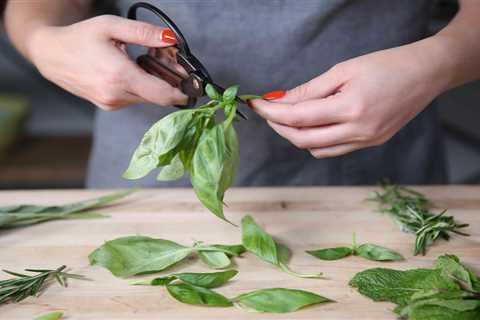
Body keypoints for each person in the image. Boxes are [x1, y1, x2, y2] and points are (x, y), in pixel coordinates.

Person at [4, 1, 480, 187]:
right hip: (151, 175)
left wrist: (435, 63)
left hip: (375, 173)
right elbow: (39, 7)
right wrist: (46, 41)